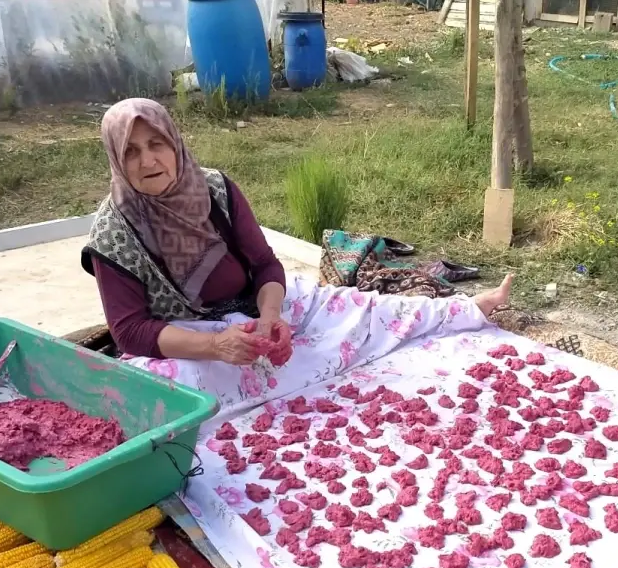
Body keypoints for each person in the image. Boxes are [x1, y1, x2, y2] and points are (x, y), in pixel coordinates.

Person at [82, 98, 513, 415]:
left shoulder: (214, 189)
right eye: (131, 152)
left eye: (156, 143)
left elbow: (265, 265)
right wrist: (216, 345)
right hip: (188, 336)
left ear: (175, 144)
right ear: (117, 162)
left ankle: (465, 310)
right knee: (177, 394)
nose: (148, 160)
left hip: (256, 308)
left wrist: (272, 318)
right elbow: (129, 331)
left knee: (355, 310)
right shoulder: (114, 230)